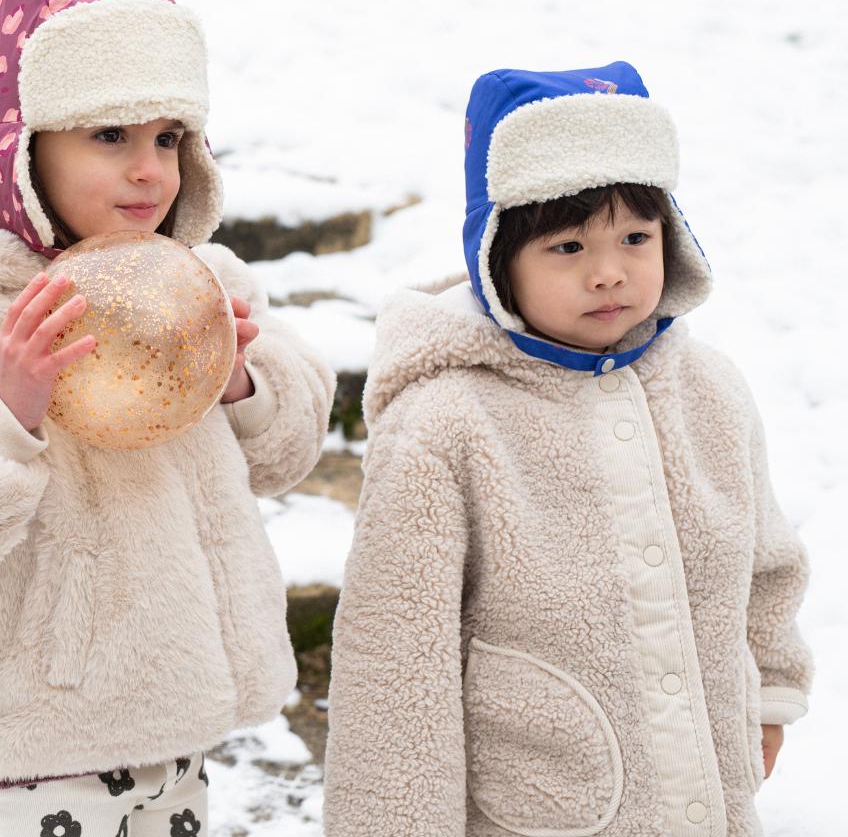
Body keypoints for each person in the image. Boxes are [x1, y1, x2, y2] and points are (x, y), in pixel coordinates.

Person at [0, 0, 335, 836]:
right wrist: (3, 415)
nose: (149, 169)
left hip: (183, 725)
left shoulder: (194, 296)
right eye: (110, 135)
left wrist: (244, 384)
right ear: (20, 152)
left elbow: (287, 452)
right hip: (49, 741)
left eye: (170, 137)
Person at [323, 63, 812, 837]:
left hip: (704, 801)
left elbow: (765, 566)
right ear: (498, 259)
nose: (609, 270)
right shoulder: (447, 423)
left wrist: (772, 691)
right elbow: (395, 666)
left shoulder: (710, 392)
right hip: (544, 807)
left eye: (635, 237)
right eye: (567, 246)